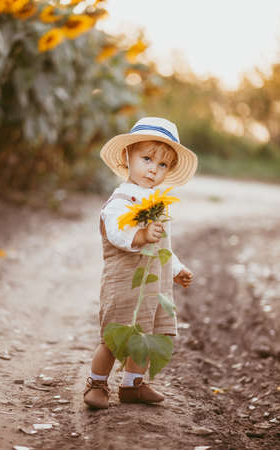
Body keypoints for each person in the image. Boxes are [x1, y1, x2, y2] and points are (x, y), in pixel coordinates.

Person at [83, 117, 198, 409]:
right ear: (127, 157)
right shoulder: (121, 200)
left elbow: (163, 246)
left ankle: (133, 384)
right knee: (115, 336)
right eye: (146, 159)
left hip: (152, 286)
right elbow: (117, 233)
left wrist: (176, 269)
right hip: (124, 281)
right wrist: (141, 234)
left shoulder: (157, 202)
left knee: (146, 337)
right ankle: (97, 383)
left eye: (162, 165)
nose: (153, 169)